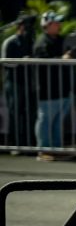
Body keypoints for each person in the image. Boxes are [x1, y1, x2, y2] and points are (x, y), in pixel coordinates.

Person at [33, 11, 73, 160]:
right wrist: (61, 59)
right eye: (55, 23)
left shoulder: (61, 40)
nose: (59, 25)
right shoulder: (41, 42)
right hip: (48, 91)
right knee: (45, 121)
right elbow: (43, 62)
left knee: (57, 122)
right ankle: (43, 151)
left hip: (63, 89)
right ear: (47, 25)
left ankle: (56, 149)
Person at [1, 14, 36, 147]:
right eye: (26, 26)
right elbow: (5, 62)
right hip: (13, 82)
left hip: (27, 82)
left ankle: (28, 142)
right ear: (20, 27)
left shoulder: (30, 41)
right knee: (15, 113)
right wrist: (20, 62)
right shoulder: (10, 42)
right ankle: (15, 144)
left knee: (29, 112)